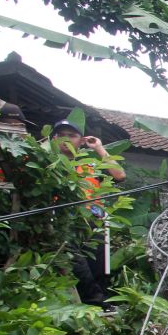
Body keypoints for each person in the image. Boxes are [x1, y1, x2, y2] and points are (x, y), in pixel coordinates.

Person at [51, 120, 125, 308]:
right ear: (54, 138)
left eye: (72, 135)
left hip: (94, 220)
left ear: (81, 141)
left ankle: (101, 304)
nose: (67, 139)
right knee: (76, 264)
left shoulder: (89, 165)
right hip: (64, 221)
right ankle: (94, 302)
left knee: (99, 265)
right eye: (62, 135)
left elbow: (119, 176)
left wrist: (99, 148)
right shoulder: (47, 162)